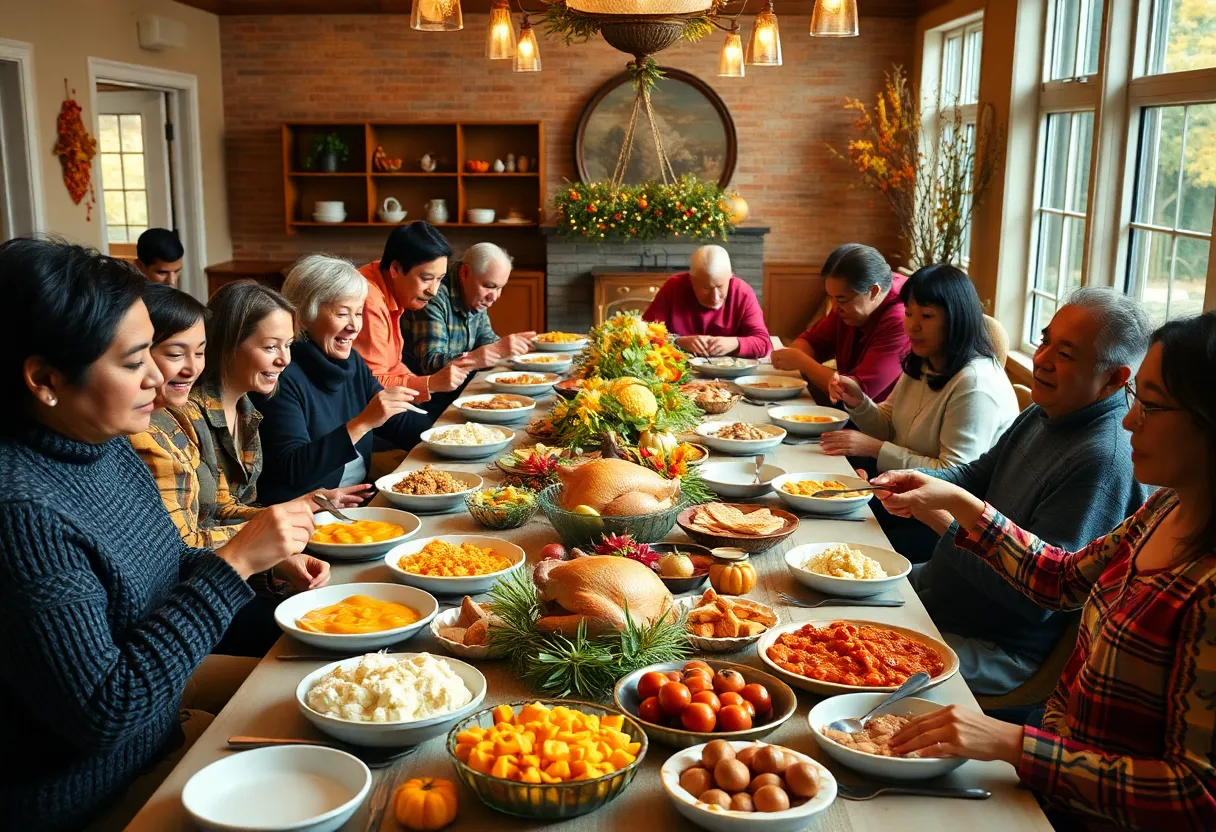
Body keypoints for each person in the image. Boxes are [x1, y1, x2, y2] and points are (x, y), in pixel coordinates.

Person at [0, 238, 312, 830]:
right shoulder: (21, 511)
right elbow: (105, 710)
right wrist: (232, 567)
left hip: (157, 736)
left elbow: (166, 563)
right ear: (44, 378)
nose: (157, 377)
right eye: (132, 360)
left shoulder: (103, 446)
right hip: (88, 799)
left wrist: (261, 563)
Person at [873, 312, 1216, 830]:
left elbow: (1193, 795)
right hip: (1052, 755)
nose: (1129, 420)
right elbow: (1061, 579)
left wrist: (1014, 744)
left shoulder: (1207, 589)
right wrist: (963, 506)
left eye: (1152, 405)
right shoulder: (1164, 508)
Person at [901, 288, 1151, 696]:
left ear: (1115, 377)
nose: (1042, 359)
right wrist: (906, 480)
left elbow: (1037, 600)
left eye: (1065, 354)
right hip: (939, 596)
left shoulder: (1102, 462)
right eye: (1045, 339)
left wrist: (944, 519)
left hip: (995, 647)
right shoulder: (1048, 407)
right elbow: (979, 473)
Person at [130, 283, 339, 656]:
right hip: (188, 604)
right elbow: (183, 547)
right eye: (271, 346)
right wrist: (269, 541)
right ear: (229, 344)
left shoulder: (247, 411)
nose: (285, 359)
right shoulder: (168, 420)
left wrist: (279, 535)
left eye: (288, 345)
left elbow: (222, 507)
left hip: (229, 577)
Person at [255, 254, 430, 504]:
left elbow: (395, 420)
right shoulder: (280, 374)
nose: (354, 326)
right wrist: (363, 422)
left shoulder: (351, 362)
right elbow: (294, 470)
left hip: (360, 497)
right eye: (342, 313)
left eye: (358, 313)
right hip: (310, 515)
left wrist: (449, 438)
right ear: (304, 314)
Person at [823, 264, 1019, 472]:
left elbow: (954, 472)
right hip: (904, 487)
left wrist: (876, 449)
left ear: (956, 319)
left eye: (926, 316)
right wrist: (858, 402)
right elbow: (889, 427)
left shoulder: (975, 385)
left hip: (943, 502)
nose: (912, 326)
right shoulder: (925, 360)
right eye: (908, 314)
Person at [771, 243, 909, 402]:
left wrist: (802, 362)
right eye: (831, 298)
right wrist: (795, 357)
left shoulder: (902, 318)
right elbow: (811, 342)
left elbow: (856, 395)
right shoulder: (847, 306)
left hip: (878, 419)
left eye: (841, 300)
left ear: (874, 291)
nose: (834, 309)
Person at [353, 222, 476, 400]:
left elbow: (393, 365)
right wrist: (430, 383)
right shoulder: (368, 299)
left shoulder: (391, 286)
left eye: (439, 279)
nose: (433, 291)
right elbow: (372, 383)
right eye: (426, 279)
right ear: (395, 268)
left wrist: (426, 384)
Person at [407, 242, 536, 374]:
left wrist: (512, 349)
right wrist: (478, 357)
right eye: (489, 286)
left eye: (500, 288)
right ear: (465, 273)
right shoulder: (434, 296)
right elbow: (429, 363)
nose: (495, 297)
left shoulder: (475, 294)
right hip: (426, 392)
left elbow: (485, 340)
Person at [642, 244, 772, 358]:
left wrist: (734, 343)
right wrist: (678, 342)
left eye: (720, 287)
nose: (715, 297)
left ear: (730, 277)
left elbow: (764, 344)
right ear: (691, 280)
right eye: (706, 288)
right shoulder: (673, 287)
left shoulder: (742, 292)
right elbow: (644, 335)